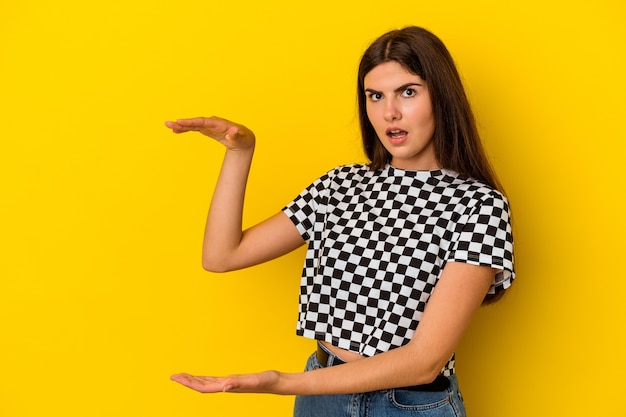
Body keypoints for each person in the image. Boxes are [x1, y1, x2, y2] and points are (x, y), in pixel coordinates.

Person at [166, 26, 514, 417]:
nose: (390, 113)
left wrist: (282, 383)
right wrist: (239, 152)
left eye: (409, 92)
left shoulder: (478, 206)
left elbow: (423, 361)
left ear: (442, 98)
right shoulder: (341, 186)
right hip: (322, 397)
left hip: (409, 405)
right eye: (375, 96)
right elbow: (222, 255)